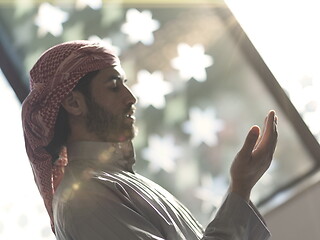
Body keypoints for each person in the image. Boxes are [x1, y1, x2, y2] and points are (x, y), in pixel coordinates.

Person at [21, 40, 278, 240]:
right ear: (74, 103)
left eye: (125, 84)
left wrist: (241, 187)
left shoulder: (114, 181)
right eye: (113, 86)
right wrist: (240, 187)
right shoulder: (83, 199)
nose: (131, 98)